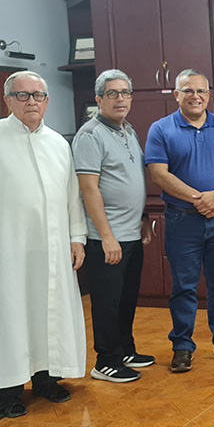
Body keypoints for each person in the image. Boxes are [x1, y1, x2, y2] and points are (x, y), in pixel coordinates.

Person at [0, 71, 88, 417]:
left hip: (53, 248)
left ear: (47, 101)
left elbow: (72, 196)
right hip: (6, 248)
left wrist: (77, 237)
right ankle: (7, 390)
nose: (31, 102)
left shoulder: (58, 143)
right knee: (9, 315)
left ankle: (46, 379)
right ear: (7, 101)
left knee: (49, 312)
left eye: (38, 96)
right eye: (22, 96)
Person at [146, 70, 214, 371]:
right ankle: (182, 345)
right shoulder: (161, 129)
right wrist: (198, 198)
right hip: (182, 220)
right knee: (184, 286)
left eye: (200, 91)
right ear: (175, 94)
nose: (195, 96)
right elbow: (158, 173)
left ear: (208, 95)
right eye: (187, 90)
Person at [72, 69, 155, 383]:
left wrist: (143, 218)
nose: (119, 98)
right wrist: (106, 237)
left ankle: (125, 349)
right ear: (98, 99)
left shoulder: (128, 130)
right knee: (107, 301)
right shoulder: (90, 135)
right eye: (112, 93)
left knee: (126, 297)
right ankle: (106, 360)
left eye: (124, 93)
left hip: (131, 233)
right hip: (105, 238)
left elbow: (132, 182)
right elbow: (89, 188)